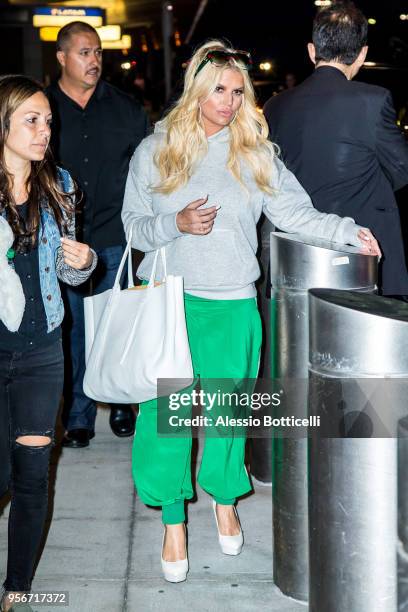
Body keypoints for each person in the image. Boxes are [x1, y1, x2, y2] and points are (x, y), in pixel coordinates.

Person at [121, 39, 380, 584]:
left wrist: (346, 232)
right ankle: (173, 522)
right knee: (165, 419)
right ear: (196, 87)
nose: (230, 101)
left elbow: (296, 212)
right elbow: (133, 229)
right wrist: (175, 224)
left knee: (228, 416)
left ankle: (223, 499)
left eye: (238, 92)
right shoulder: (157, 150)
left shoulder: (254, 154)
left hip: (234, 301)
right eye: (219, 88)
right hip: (170, 303)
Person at [0, 75, 97, 611]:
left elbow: (70, 274)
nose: (44, 131)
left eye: (48, 121)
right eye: (31, 120)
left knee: (33, 476)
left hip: (41, 350)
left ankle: (17, 588)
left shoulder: (58, 183)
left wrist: (83, 263)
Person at [47, 21, 150, 448]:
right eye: (84, 53)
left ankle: (122, 402)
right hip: (62, 242)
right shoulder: (44, 108)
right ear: (62, 58)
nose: (94, 61)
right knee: (72, 331)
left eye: (97, 53)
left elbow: (149, 170)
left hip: (114, 235)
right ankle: (78, 417)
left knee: (117, 324)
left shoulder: (125, 109)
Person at [263, 1, 408, 297]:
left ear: (312, 51)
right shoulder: (373, 101)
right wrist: (367, 186)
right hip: (362, 250)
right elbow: (402, 167)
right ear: (363, 53)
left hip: (297, 247)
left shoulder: (275, 106)